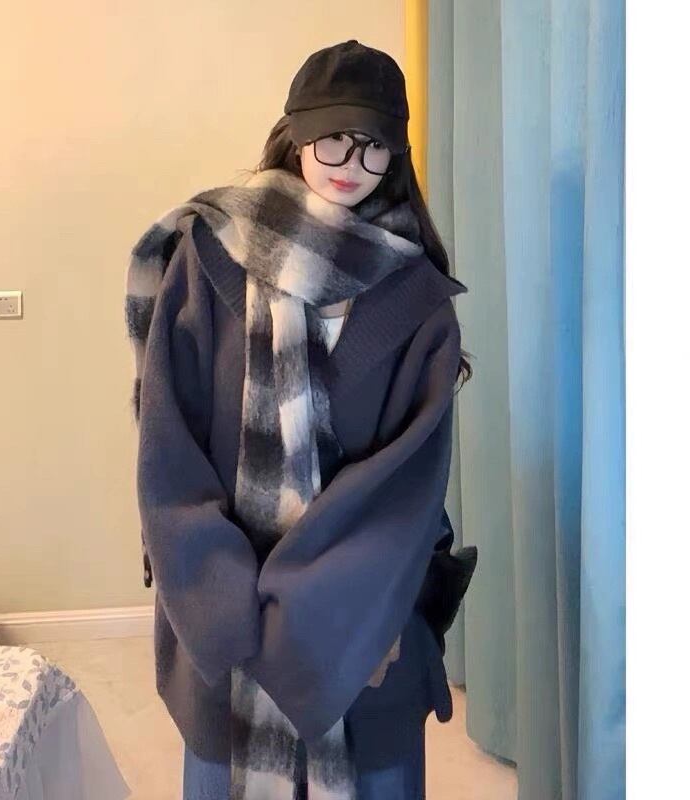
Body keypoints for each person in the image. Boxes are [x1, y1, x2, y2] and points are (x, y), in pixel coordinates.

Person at [126, 39, 476, 800]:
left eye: (374, 144)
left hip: (363, 614)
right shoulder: (208, 254)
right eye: (334, 137)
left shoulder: (417, 297)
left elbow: (406, 488)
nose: (352, 162)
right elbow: (169, 442)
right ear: (295, 133)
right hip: (221, 605)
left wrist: (322, 614)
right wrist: (220, 600)